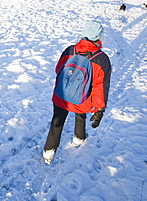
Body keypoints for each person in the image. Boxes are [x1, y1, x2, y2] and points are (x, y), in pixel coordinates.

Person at [43, 20, 111, 164]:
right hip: (83, 98)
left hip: (61, 94)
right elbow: (100, 87)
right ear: (99, 37)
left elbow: (58, 70)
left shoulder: (70, 50)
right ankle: (78, 138)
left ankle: (48, 151)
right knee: (80, 116)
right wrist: (99, 109)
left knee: (57, 120)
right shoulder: (102, 59)